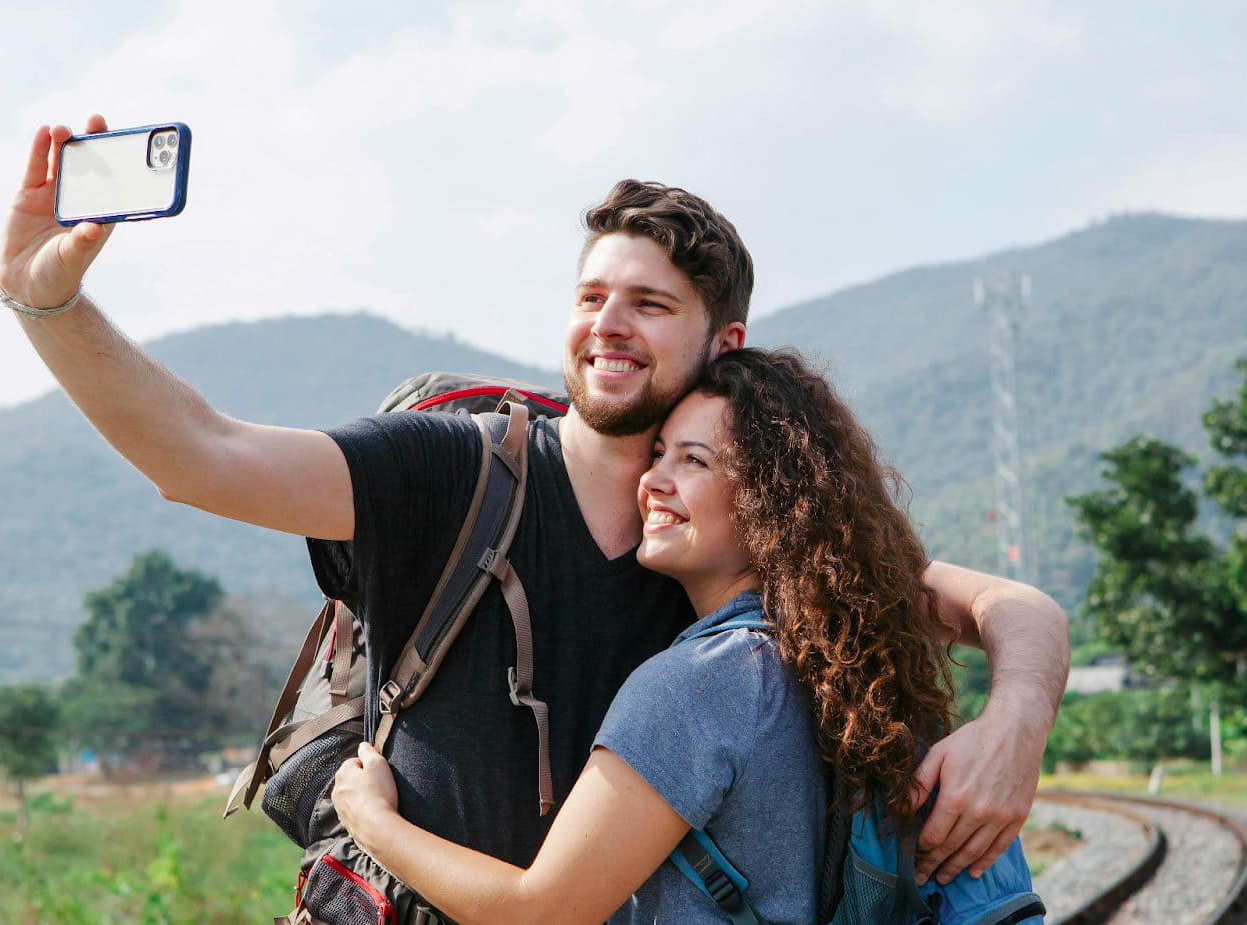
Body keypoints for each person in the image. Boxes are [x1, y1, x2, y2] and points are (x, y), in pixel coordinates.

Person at [0, 114, 1069, 893]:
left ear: (723, 344)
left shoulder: (727, 536)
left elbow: (1013, 609)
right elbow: (201, 456)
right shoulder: (449, 471)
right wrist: (47, 304)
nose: (610, 324)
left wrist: (1012, 730)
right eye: (592, 295)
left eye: (650, 303)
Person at [330, 347, 962, 924]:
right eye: (658, 454)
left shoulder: (702, 682)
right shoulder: (836, 662)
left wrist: (373, 821)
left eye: (694, 460)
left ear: (774, 502)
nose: (653, 480)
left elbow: (539, 914)